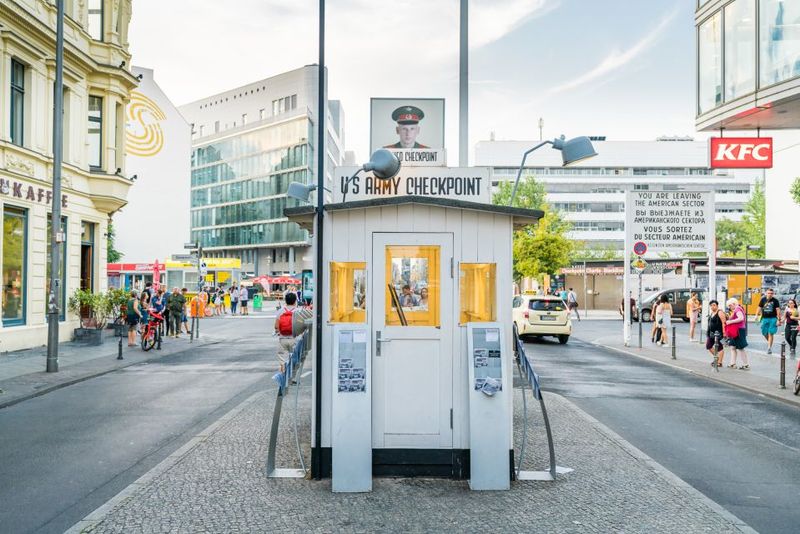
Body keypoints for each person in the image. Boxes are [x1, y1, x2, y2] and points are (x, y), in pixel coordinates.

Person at [274, 291, 313, 371]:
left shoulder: (281, 311)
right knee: (295, 358)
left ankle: (283, 372)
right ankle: (293, 375)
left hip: (282, 339)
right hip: (295, 338)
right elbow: (304, 326)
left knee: (282, 358)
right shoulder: (299, 311)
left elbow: (276, 326)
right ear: (295, 301)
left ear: (285, 301)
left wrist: (278, 331)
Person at [725, 297, 749, 370]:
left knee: (740, 348)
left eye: (730, 305)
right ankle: (733, 363)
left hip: (738, 330)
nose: (729, 307)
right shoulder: (738, 308)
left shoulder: (737, 309)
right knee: (733, 347)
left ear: (733, 304)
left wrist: (730, 321)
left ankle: (745, 364)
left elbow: (741, 318)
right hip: (737, 330)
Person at [756, 288, 781, 354]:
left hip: (773, 318)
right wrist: (756, 315)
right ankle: (770, 341)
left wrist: (779, 319)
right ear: (766, 293)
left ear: (773, 294)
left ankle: (769, 348)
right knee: (764, 332)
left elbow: (778, 310)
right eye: (769, 293)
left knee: (770, 333)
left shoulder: (775, 300)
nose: (770, 294)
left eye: (771, 293)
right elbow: (759, 307)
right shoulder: (763, 299)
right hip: (765, 318)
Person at [706, 300, 727, 367]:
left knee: (719, 347)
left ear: (717, 305)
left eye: (714, 305)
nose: (712, 307)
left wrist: (724, 332)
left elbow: (724, 323)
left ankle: (719, 362)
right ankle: (717, 358)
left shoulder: (720, 312)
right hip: (711, 333)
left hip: (718, 333)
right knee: (708, 345)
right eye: (711, 305)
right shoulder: (712, 313)